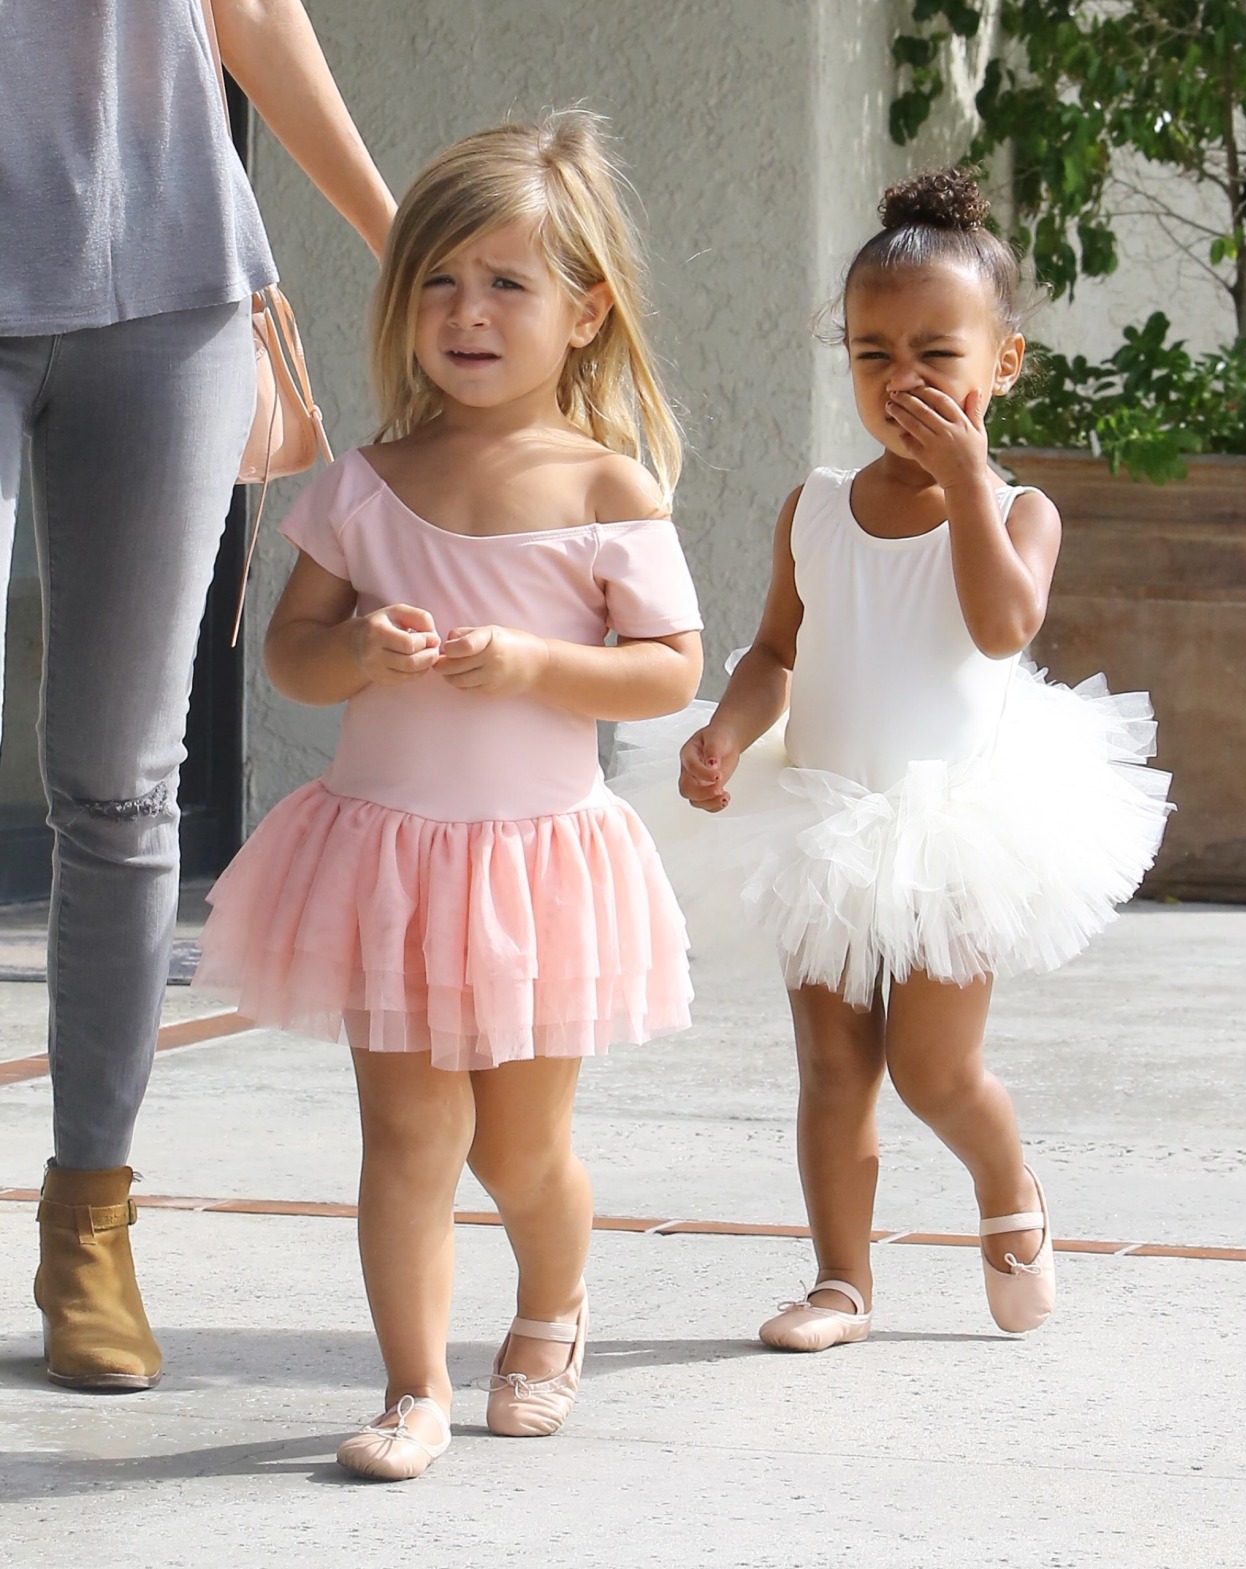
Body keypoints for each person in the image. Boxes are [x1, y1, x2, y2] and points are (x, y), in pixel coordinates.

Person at [194, 110, 704, 1480]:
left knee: (521, 1149)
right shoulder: (366, 486)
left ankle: (551, 1307)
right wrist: (356, 648)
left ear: (586, 312)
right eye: (437, 279)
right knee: (410, 1131)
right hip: (392, 864)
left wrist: (542, 660)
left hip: (535, 871)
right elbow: (290, 658)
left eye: (505, 282)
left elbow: (668, 672)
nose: (465, 311)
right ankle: (413, 1385)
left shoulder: (607, 487)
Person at [651, 168, 1171, 1350]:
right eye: (870, 353)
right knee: (832, 1071)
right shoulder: (816, 506)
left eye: (935, 354)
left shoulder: (1018, 506)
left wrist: (967, 483)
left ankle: (1010, 1196)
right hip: (820, 821)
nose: (902, 381)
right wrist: (727, 733)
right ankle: (840, 1283)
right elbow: (776, 649)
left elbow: (1000, 626)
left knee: (934, 1068)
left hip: (954, 830)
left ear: (1002, 364)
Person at [0, 1, 397, 1392]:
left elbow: (249, 13)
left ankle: (87, 1224)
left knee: (122, 783)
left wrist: (393, 231)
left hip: (170, 285)